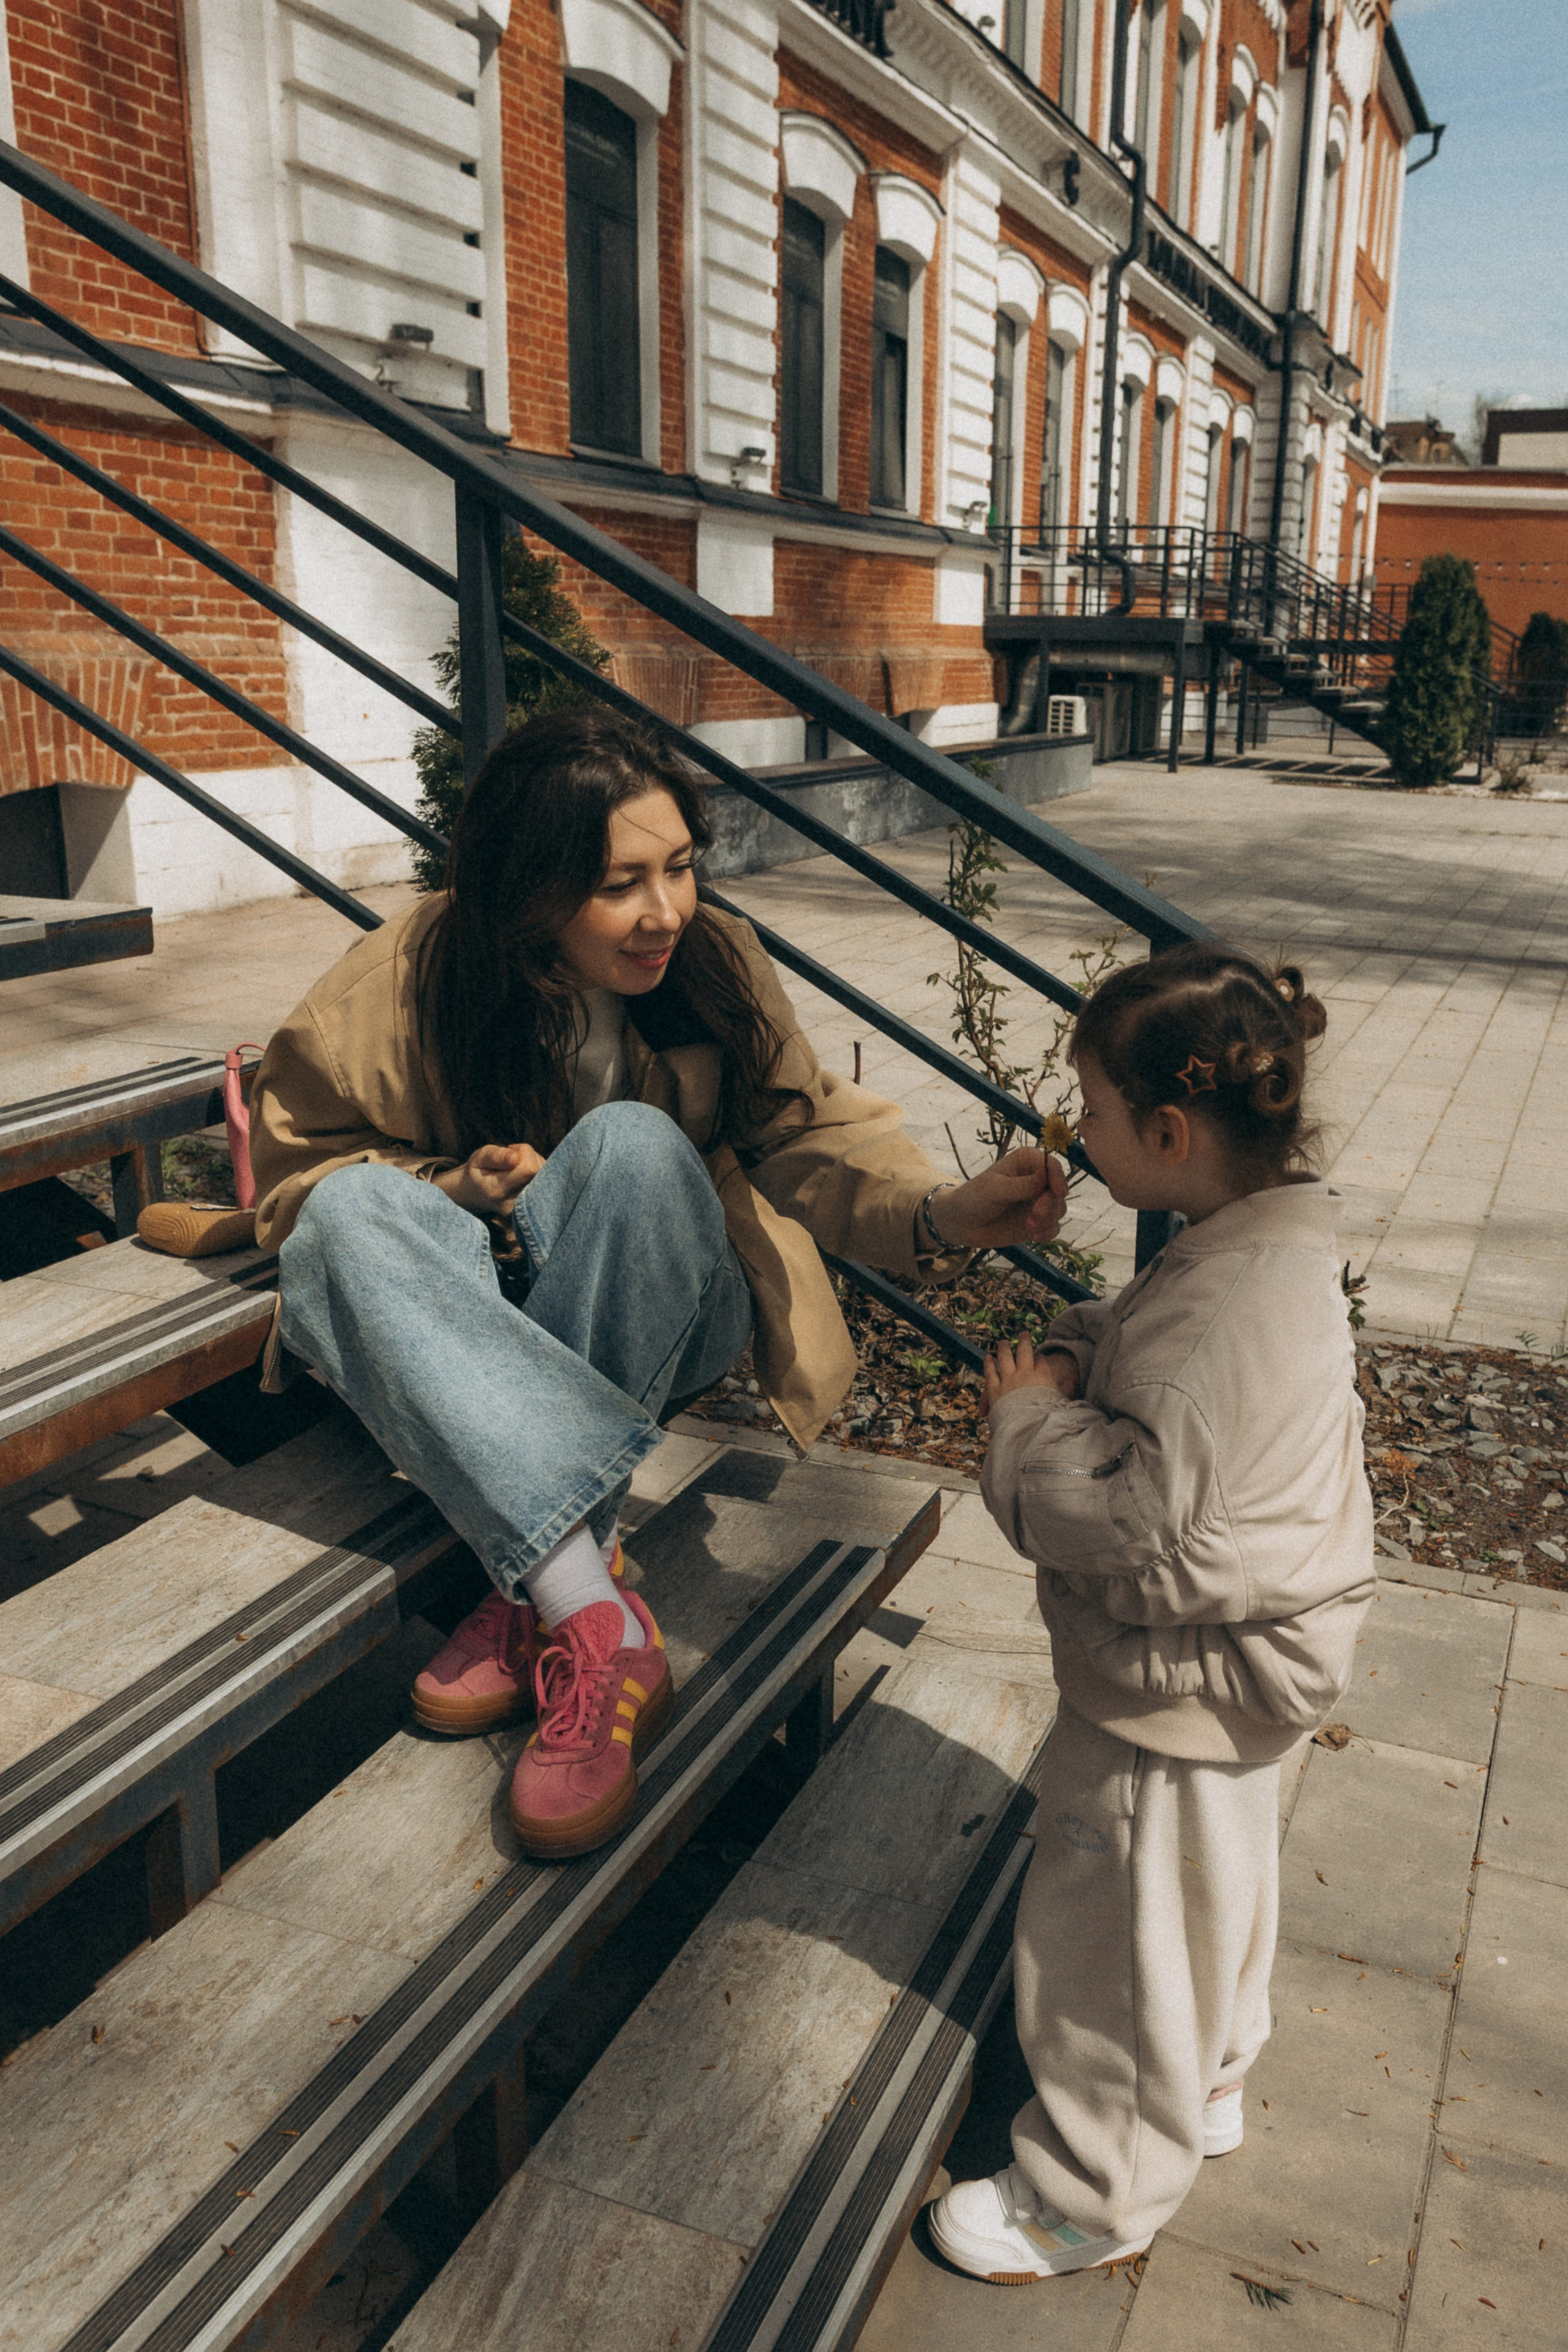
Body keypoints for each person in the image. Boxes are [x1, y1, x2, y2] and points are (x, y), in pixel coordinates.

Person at [249, 708, 1063, 1860]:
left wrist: (944, 1212)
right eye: (622, 882)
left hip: (680, 1299)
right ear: (530, 892)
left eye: (680, 866)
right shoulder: (403, 981)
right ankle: (577, 1600)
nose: (668, 910)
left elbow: (809, 1131)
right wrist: (453, 1186)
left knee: (633, 1143)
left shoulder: (714, 968)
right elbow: (296, 1172)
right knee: (343, 1212)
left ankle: (531, 1569)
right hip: (483, 1317)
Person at [929, 943, 1376, 2283]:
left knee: (1114, 1924)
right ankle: (1214, 2079)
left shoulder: (1214, 1316)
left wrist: (1020, 1420)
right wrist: (1079, 1338)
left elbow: (1129, 1523)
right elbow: (1149, 1326)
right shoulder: (1263, 1250)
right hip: (1260, 1650)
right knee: (1211, 1885)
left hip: (1176, 1676)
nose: (1077, 1140)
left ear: (1168, 1131)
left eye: (1092, 1116)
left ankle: (1093, 2185)